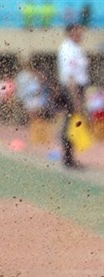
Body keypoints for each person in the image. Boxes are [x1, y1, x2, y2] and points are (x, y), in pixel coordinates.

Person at [57, 23, 89, 169]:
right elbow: (70, 76)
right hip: (72, 89)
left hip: (78, 89)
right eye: (77, 31)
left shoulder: (77, 48)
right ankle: (68, 158)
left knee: (72, 122)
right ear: (71, 33)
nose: (80, 34)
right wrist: (75, 97)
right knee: (71, 122)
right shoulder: (67, 49)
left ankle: (70, 157)